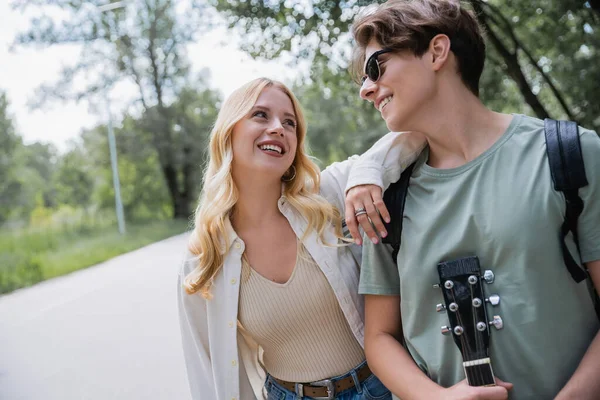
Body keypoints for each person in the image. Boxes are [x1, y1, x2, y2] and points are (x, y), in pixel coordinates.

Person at [344, 1, 600, 399]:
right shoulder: (386, 196)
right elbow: (379, 337)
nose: (366, 88)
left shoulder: (570, 154)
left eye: (376, 66)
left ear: (436, 51)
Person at [177, 77, 426, 400]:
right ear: (229, 132)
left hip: (378, 387)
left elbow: (415, 135)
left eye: (290, 122)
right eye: (261, 115)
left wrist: (366, 174)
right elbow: (207, 373)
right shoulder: (204, 256)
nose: (279, 127)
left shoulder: (327, 197)